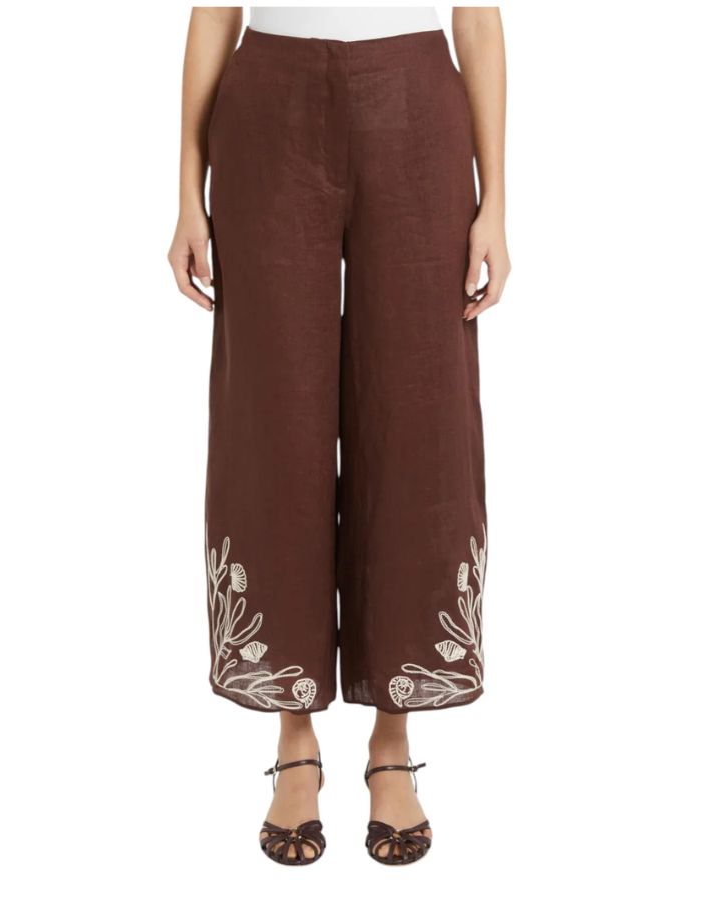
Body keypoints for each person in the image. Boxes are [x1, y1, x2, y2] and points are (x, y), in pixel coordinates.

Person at [168, 6, 510, 866]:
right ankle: (295, 735)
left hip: (417, 104)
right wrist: (185, 197)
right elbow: (213, 12)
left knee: (419, 417)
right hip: (269, 106)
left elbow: (477, 19)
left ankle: (393, 736)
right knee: (273, 419)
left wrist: (496, 204)